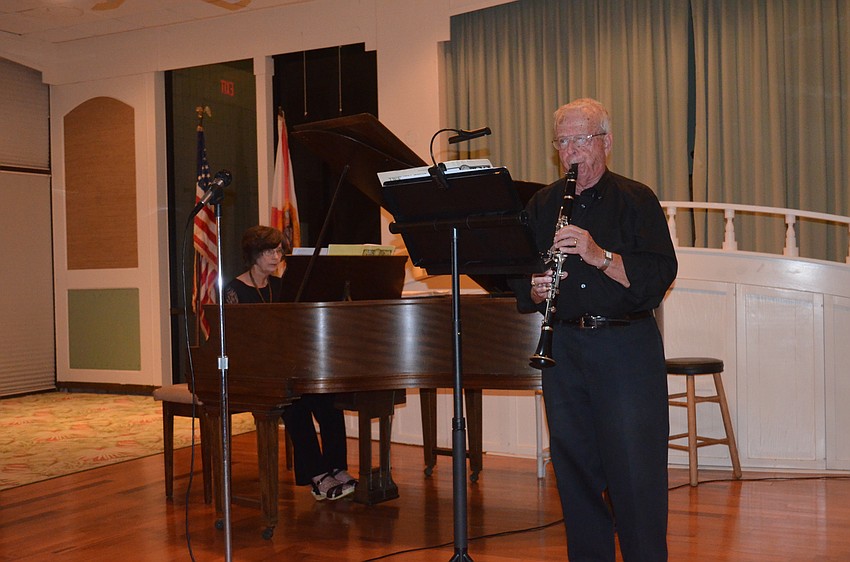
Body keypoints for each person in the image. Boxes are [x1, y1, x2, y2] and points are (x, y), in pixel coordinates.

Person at [510, 98, 677, 561]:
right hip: (564, 351)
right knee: (576, 473)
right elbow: (518, 276)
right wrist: (537, 290)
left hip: (625, 349)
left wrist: (597, 253)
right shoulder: (542, 205)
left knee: (635, 476)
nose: (570, 151)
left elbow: (658, 276)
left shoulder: (636, 198)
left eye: (580, 139)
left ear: (605, 141)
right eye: (562, 142)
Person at [224, 225, 357, 501]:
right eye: (269, 251)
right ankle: (318, 476)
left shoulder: (281, 285)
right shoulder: (234, 290)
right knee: (295, 406)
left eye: (279, 251)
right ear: (254, 254)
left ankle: (336, 467)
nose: (276, 256)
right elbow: (237, 340)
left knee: (328, 400)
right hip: (257, 372)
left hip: (287, 367)